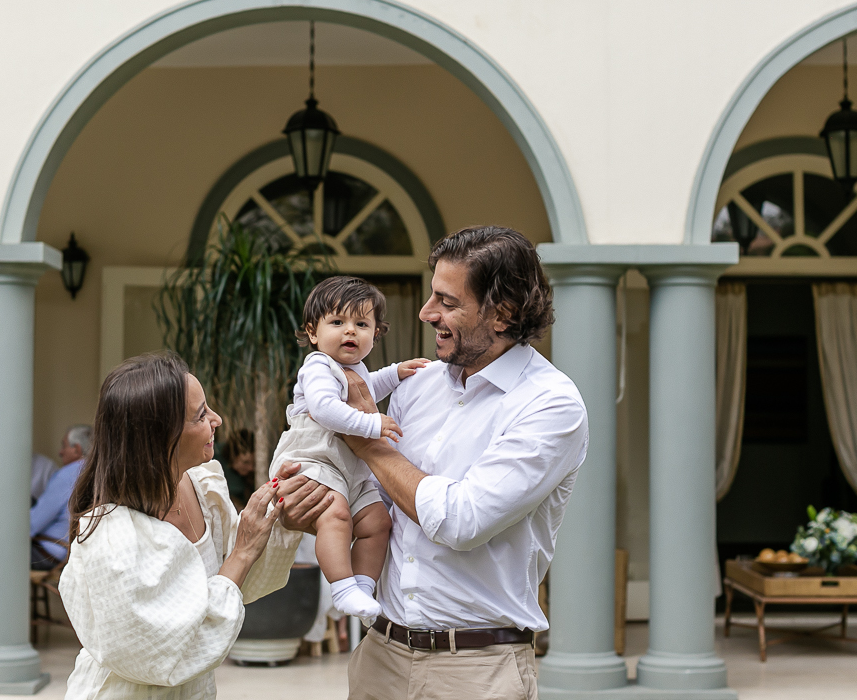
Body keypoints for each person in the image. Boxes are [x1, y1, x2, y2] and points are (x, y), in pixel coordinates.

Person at [280, 226, 589, 700]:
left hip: (476, 671)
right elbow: (380, 501)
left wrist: (367, 443)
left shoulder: (550, 404)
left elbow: (461, 521)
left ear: (503, 313)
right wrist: (314, 503)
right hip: (380, 655)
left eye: (446, 302)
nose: (427, 313)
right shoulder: (418, 385)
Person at [59, 352, 309, 699]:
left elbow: (238, 586)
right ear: (160, 437)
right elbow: (165, 658)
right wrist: (242, 551)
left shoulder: (203, 486)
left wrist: (278, 514)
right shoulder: (110, 536)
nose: (217, 420)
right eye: (200, 415)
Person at [269, 276, 429, 622]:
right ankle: (341, 588)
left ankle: (363, 587)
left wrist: (396, 374)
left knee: (378, 522)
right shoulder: (318, 366)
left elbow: (369, 385)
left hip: (349, 469)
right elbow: (325, 408)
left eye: (362, 324)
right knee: (336, 514)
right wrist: (371, 425)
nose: (350, 331)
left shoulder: (355, 369)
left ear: (376, 333)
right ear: (313, 332)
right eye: (338, 322)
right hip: (313, 461)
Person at [29, 424, 90, 568]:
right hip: (77, 553)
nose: (60, 452)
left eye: (64, 446)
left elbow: (33, 523)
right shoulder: (96, 473)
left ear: (77, 449)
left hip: (51, 553)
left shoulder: (68, 474)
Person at [214, 429, 255, 510]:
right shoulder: (214, 460)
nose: (251, 468)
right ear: (233, 457)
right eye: (245, 462)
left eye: (254, 463)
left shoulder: (251, 476)